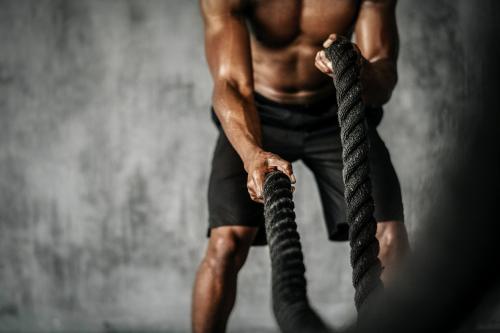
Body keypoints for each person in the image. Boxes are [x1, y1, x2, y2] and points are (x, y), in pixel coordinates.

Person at [192, 1, 409, 332]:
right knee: (225, 244)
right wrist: (251, 154)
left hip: (336, 111)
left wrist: (357, 69)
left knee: (390, 240)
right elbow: (231, 84)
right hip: (256, 113)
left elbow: (383, 80)